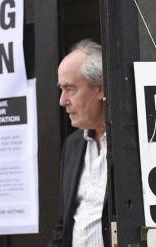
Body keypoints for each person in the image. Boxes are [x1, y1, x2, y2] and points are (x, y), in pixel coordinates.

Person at [48, 39, 109, 247]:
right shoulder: (72, 146)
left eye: (70, 89)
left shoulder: (132, 142)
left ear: (99, 89)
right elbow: (65, 224)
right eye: (61, 89)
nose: (62, 100)